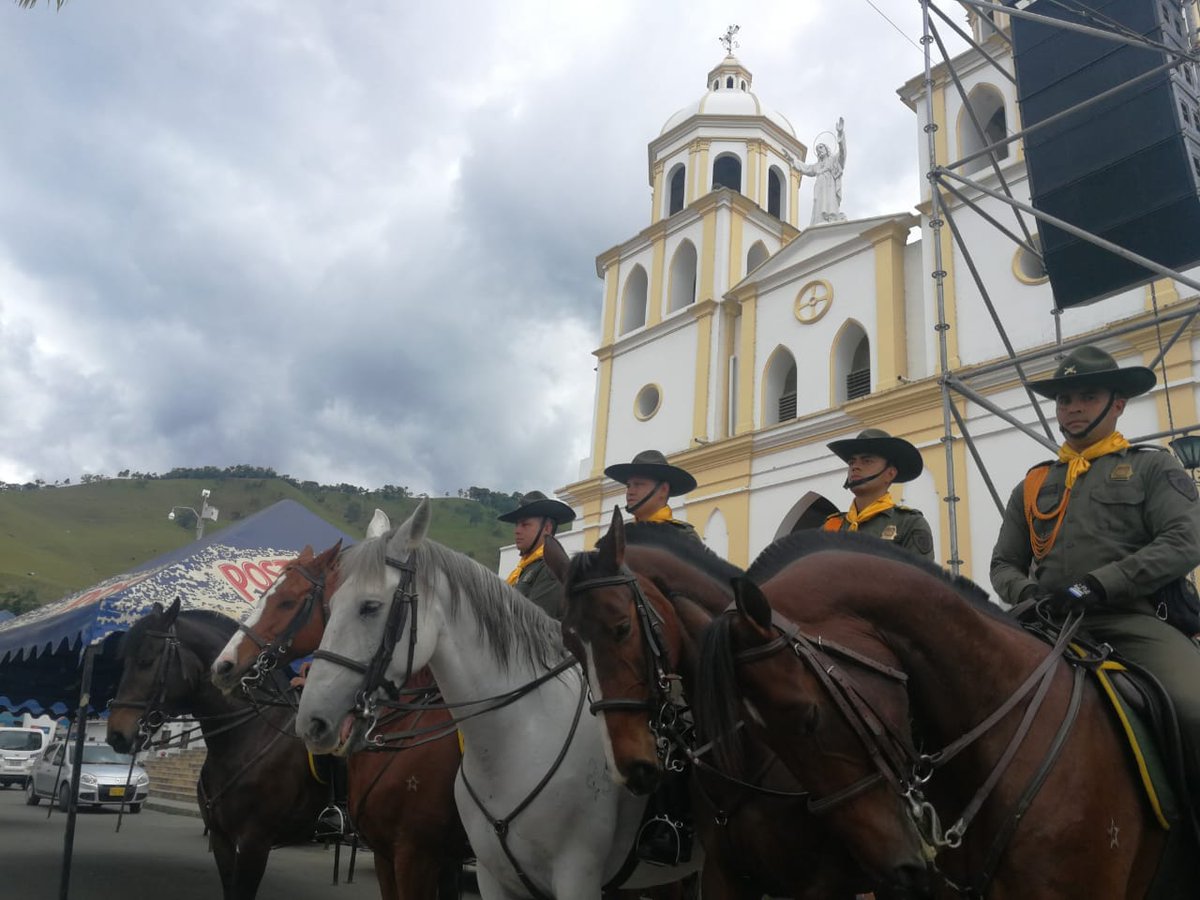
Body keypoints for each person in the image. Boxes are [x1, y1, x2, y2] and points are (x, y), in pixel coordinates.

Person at [990, 345, 1200, 813]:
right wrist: (1029, 593)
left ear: (1118, 402)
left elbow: (1184, 542)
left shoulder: (1153, 466)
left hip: (1129, 621)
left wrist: (1099, 584)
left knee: (1195, 708)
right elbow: (1003, 562)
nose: (1073, 408)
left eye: (1087, 395)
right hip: (1043, 624)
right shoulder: (1032, 483)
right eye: (1064, 400)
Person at [823, 428, 936, 561]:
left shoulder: (908, 524)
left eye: (867, 461)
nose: (855, 467)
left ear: (890, 474)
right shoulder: (831, 525)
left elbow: (919, 579)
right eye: (852, 462)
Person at [499, 491, 576, 619]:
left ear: (547, 528)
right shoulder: (526, 568)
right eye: (516, 525)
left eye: (525, 525)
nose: (517, 531)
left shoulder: (551, 568)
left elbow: (533, 625)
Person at [604, 449, 701, 543]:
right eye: (628, 486)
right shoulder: (620, 538)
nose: (630, 491)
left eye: (638, 484)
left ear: (663, 489)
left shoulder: (682, 537)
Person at [796, 116, 847, 225]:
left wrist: (840, 134)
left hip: (829, 186)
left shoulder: (833, 160)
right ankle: (819, 219)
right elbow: (806, 168)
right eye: (817, 150)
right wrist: (793, 161)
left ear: (826, 149)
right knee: (818, 201)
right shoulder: (817, 166)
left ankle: (830, 217)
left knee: (828, 201)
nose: (819, 151)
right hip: (819, 185)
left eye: (821, 148)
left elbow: (842, 154)